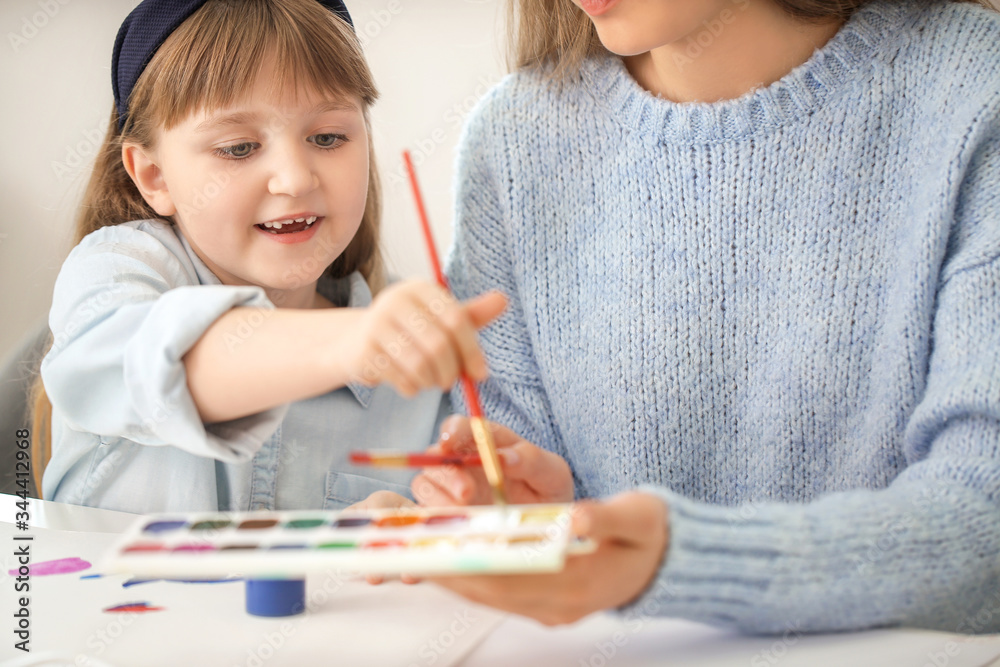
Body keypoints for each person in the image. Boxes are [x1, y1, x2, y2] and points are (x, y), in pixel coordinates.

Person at [412, 0, 1000, 634]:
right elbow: (523, 507)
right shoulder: (512, 140)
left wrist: (677, 562)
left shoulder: (970, 89)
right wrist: (539, 513)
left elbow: (982, 521)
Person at [33, 0, 506, 514]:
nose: (296, 178)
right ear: (154, 176)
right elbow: (146, 364)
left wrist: (421, 531)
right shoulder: (118, 271)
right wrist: (356, 340)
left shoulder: (422, 366)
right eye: (238, 148)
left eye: (327, 137)